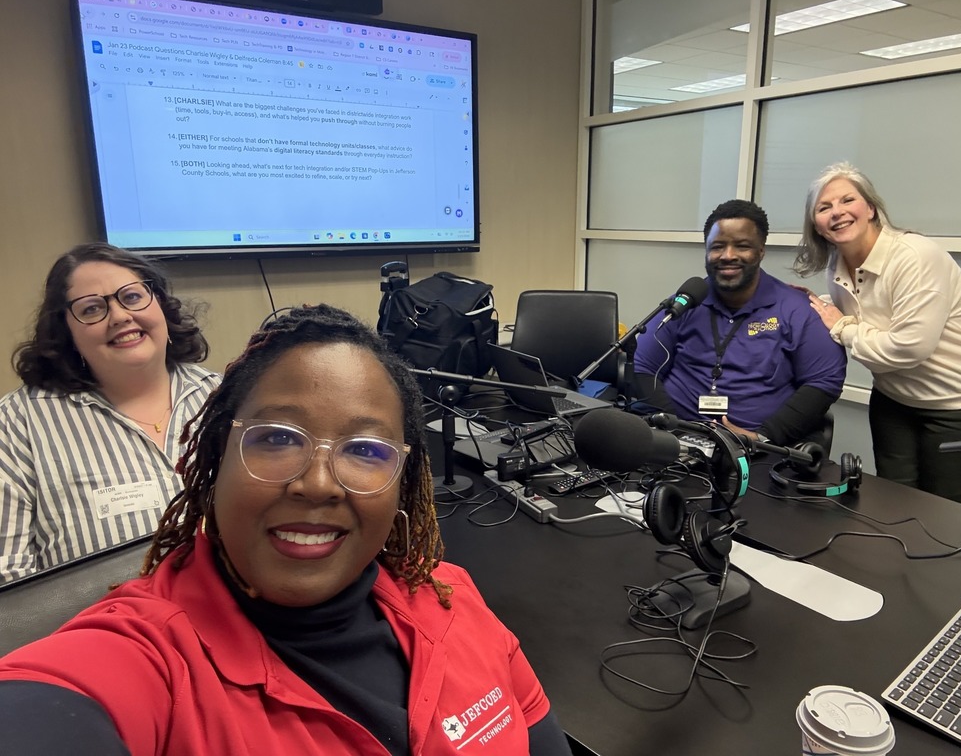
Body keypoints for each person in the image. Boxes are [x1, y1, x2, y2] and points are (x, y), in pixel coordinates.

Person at [0, 304, 572, 756]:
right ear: (217, 455)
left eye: (366, 449)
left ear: (404, 477)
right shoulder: (147, 658)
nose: (318, 484)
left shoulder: (452, 599)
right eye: (277, 438)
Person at [795, 162, 961, 506]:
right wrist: (811, 305)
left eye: (847, 200)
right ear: (818, 226)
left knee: (944, 514)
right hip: (896, 400)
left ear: (870, 208)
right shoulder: (838, 264)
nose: (837, 212)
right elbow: (867, 308)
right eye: (824, 208)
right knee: (895, 503)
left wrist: (841, 326)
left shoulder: (916, 257)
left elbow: (908, 348)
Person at [0, 243, 220, 582]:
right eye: (91, 310)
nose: (119, 316)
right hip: (102, 630)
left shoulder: (224, 395)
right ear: (67, 333)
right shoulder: (18, 422)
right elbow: (8, 577)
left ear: (159, 303)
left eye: (132, 297)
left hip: (237, 620)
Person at [634, 199, 847, 448]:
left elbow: (824, 380)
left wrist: (762, 438)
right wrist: (674, 430)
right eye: (717, 246)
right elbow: (644, 367)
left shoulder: (797, 309)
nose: (728, 256)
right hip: (675, 446)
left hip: (758, 451)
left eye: (742, 246)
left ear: (761, 250)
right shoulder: (686, 303)